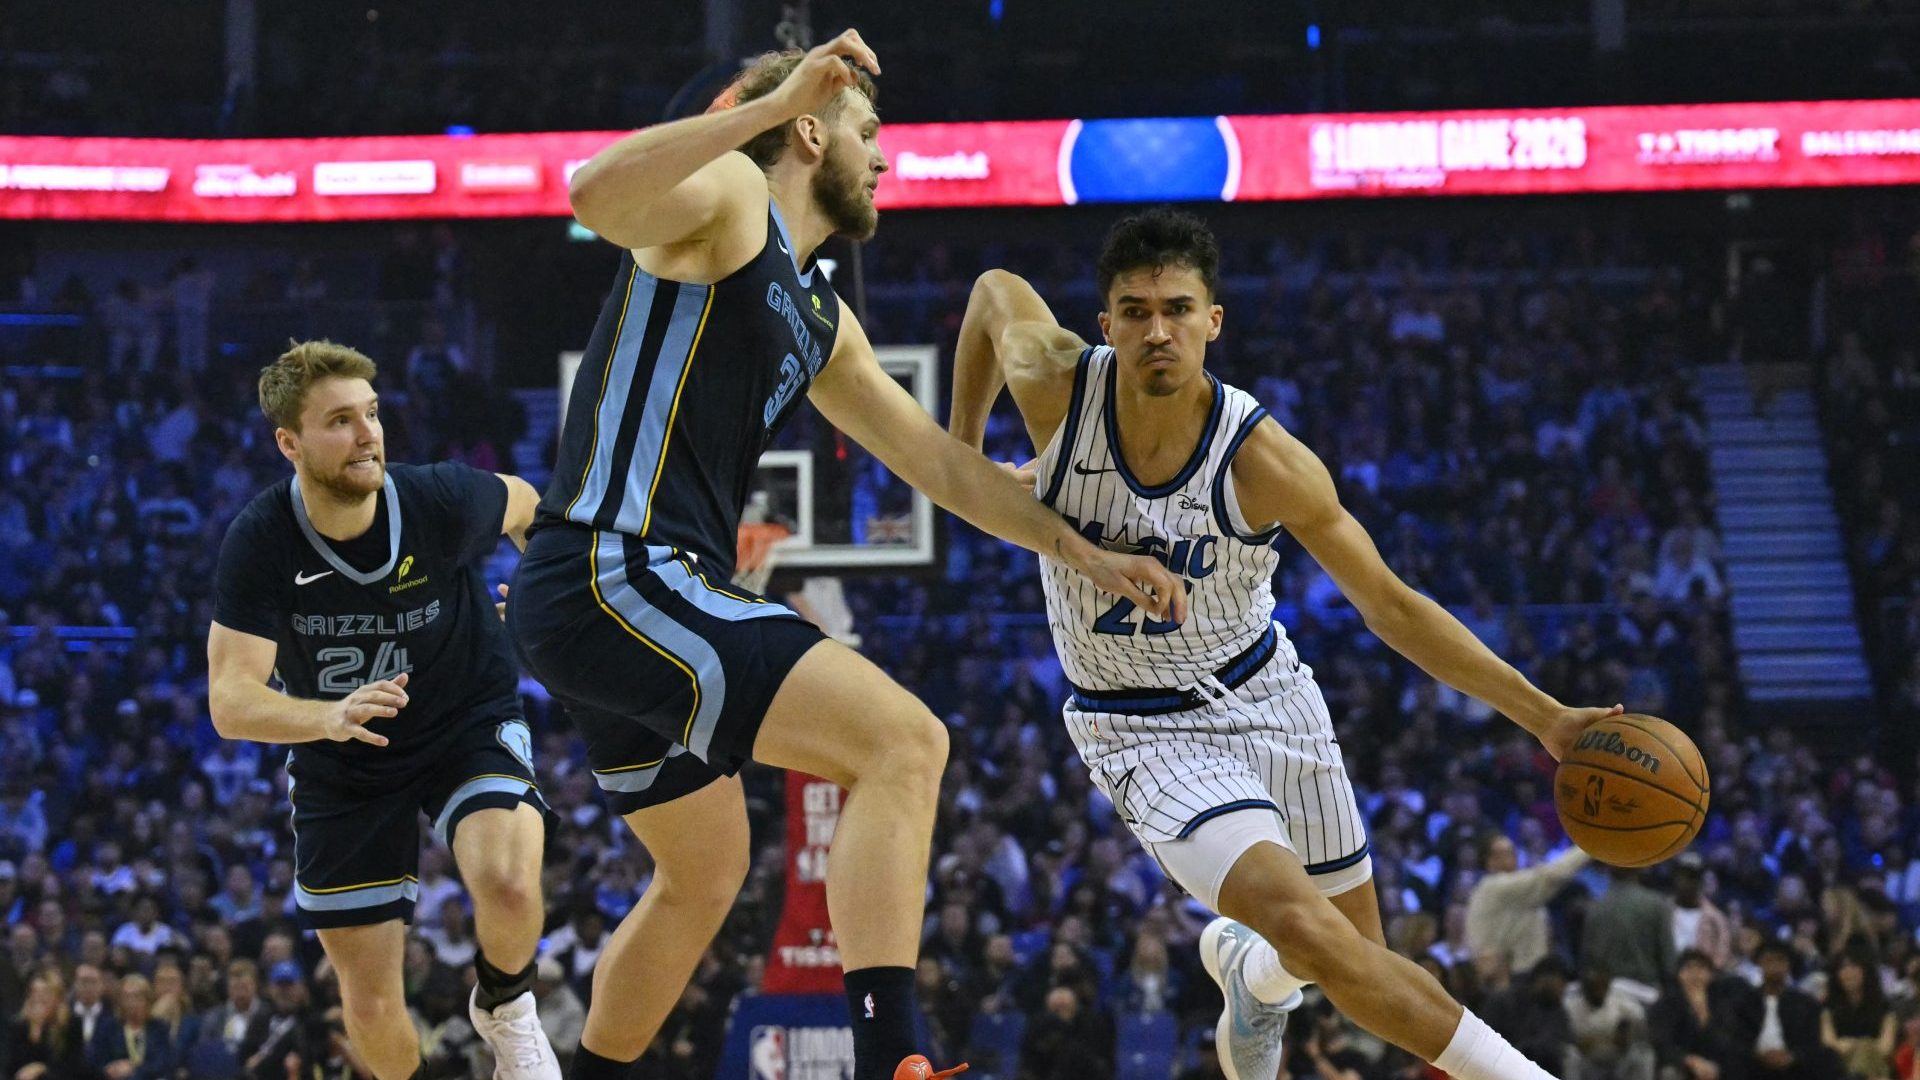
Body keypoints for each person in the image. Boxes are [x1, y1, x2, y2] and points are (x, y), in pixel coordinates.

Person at [505, 32, 1182, 1080]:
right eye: (868, 132)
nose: (884, 158)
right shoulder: (729, 194)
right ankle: (892, 1063)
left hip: (624, 591)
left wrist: (1086, 553)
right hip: (615, 567)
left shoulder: (820, 318)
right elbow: (593, 193)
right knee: (903, 744)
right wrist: (766, 104)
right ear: (810, 131)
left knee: (706, 869)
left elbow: (943, 471)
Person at [948, 207, 1622, 1080]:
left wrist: (1547, 718)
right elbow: (993, 294)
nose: (1159, 330)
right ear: (1106, 323)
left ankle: (1249, 974)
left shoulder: (1264, 461)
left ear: (1213, 323)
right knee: (1315, 934)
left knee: (1350, 958)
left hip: (1270, 697)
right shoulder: (1057, 387)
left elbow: (1392, 606)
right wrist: (960, 460)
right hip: (1141, 726)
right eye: (1138, 309)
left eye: (1180, 309)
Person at [206, 341, 558, 1080]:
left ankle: (507, 1007)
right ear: (289, 443)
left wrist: (541, 592)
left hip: (464, 715)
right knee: (369, 1002)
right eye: (341, 420)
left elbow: (528, 503)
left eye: (372, 413)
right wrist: (327, 718)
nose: (368, 433)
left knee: (510, 882)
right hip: (343, 759)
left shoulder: (438, 499)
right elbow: (231, 702)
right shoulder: (260, 540)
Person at [1468, 835, 1592, 983]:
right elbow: (1549, 876)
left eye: (1512, 851)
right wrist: (1589, 846)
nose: (1511, 856)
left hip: (1530, 972)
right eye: (1502, 853)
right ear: (1488, 860)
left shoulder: (1515, 888)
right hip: (1513, 977)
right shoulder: (1494, 886)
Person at [1733, 940, 1835, 1080]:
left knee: (1827, 1057)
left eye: (1780, 961)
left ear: (1788, 965)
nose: (1774, 966)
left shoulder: (1805, 1003)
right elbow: (1737, 1040)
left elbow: (1812, 1042)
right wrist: (1758, 1055)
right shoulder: (1744, 1002)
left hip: (1794, 1065)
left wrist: (1792, 1057)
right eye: (1769, 961)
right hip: (1753, 1064)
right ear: (1760, 964)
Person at [1584, 866, 1676, 1005]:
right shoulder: (1656, 905)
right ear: (1640, 868)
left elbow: (1587, 962)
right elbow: (1668, 962)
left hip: (1606, 997)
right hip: (1647, 995)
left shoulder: (1596, 907)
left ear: (1609, 869)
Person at [1647, 950, 1743, 1080]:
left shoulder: (1722, 1006)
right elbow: (1662, 1044)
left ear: (1711, 975)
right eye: (1689, 967)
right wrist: (1690, 1060)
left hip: (1716, 1066)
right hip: (1680, 1065)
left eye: (1701, 968)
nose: (1695, 974)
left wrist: (1703, 1013)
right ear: (1679, 974)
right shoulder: (1664, 1005)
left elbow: (1726, 1043)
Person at [1822, 950, 1895, 1079]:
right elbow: (1829, 1044)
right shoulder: (1828, 1006)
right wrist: (1862, 1046)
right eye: (1843, 968)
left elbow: (1886, 1047)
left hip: (1876, 1064)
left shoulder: (1884, 1006)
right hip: (1840, 1066)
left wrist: (1860, 1045)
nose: (1848, 972)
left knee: (1865, 1050)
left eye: (1854, 966)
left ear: (1866, 971)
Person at [1669, 854, 1731, 972]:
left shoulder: (1715, 919)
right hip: (1667, 977)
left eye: (1692, 877)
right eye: (1682, 876)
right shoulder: (1662, 912)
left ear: (1700, 881)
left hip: (1703, 980)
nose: (1686, 882)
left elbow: (1722, 955)